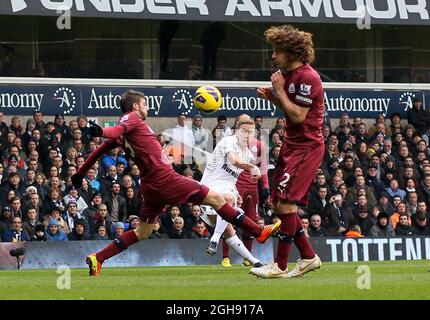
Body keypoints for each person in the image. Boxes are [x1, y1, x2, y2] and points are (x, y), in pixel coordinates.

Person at [71, 90, 280, 276]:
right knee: (217, 198)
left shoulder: (128, 130)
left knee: (142, 232)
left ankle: (98, 258)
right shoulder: (132, 118)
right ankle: (257, 232)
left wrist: (80, 174)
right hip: (166, 179)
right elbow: (116, 129)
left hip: (150, 185)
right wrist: (101, 132)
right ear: (135, 106)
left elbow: (99, 150)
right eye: (145, 104)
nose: (147, 108)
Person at [251, 25, 323, 279]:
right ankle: (308, 257)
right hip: (291, 144)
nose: (273, 56)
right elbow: (288, 108)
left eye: (277, 51)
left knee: (287, 203)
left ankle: (279, 266)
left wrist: (279, 92)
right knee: (280, 204)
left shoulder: (309, 78)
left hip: (307, 146)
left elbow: (298, 115)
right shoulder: (285, 73)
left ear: (292, 52)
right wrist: (273, 96)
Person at [201, 115, 265, 268]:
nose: (248, 135)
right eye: (244, 131)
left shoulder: (248, 154)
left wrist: (236, 192)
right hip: (210, 186)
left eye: (251, 132)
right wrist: (251, 167)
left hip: (227, 188)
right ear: (237, 131)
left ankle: (254, 262)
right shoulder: (227, 141)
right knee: (227, 202)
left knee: (229, 229)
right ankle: (215, 239)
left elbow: (232, 177)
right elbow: (233, 160)